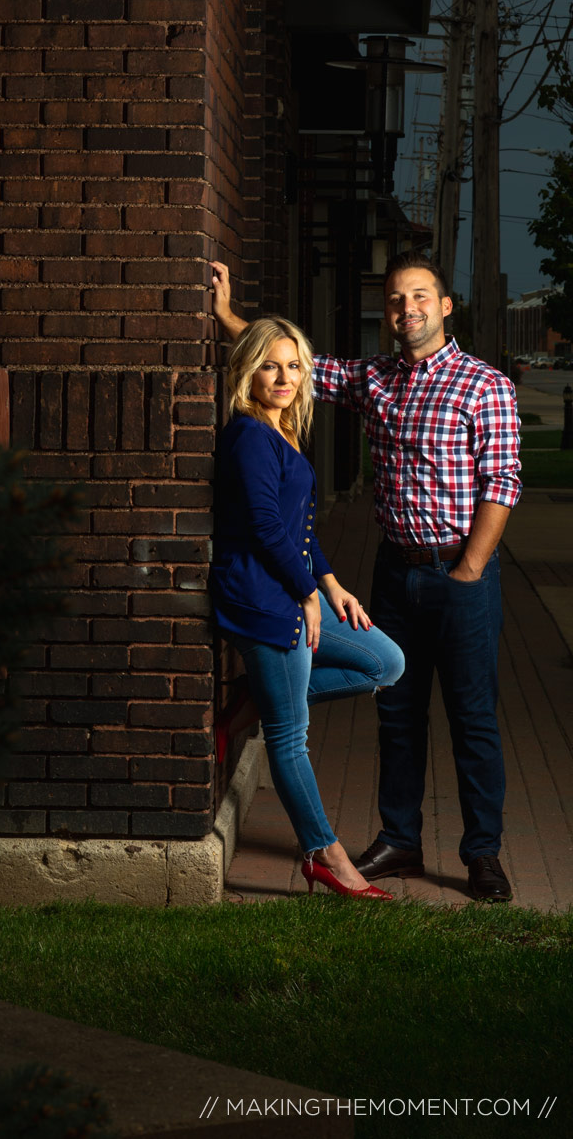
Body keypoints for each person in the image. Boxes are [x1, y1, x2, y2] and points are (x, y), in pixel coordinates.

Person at [211, 252, 522, 902]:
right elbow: (293, 365)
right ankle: (400, 841)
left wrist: (467, 570)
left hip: (459, 573)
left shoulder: (483, 384)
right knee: (398, 712)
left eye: (420, 297)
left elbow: (502, 484)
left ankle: (482, 855)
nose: (407, 310)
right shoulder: (374, 380)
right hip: (394, 568)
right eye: (395, 300)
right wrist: (227, 316)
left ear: (445, 307)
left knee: (472, 719)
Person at [211, 314, 405, 899]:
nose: (284, 376)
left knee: (385, 662)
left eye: (294, 366)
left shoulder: (281, 431)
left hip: (292, 590)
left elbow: (299, 528)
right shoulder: (247, 434)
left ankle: (254, 697)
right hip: (263, 599)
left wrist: (331, 584)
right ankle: (326, 856)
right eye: (270, 364)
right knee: (289, 737)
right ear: (247, 370)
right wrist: (305, 594)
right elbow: (268, 529)